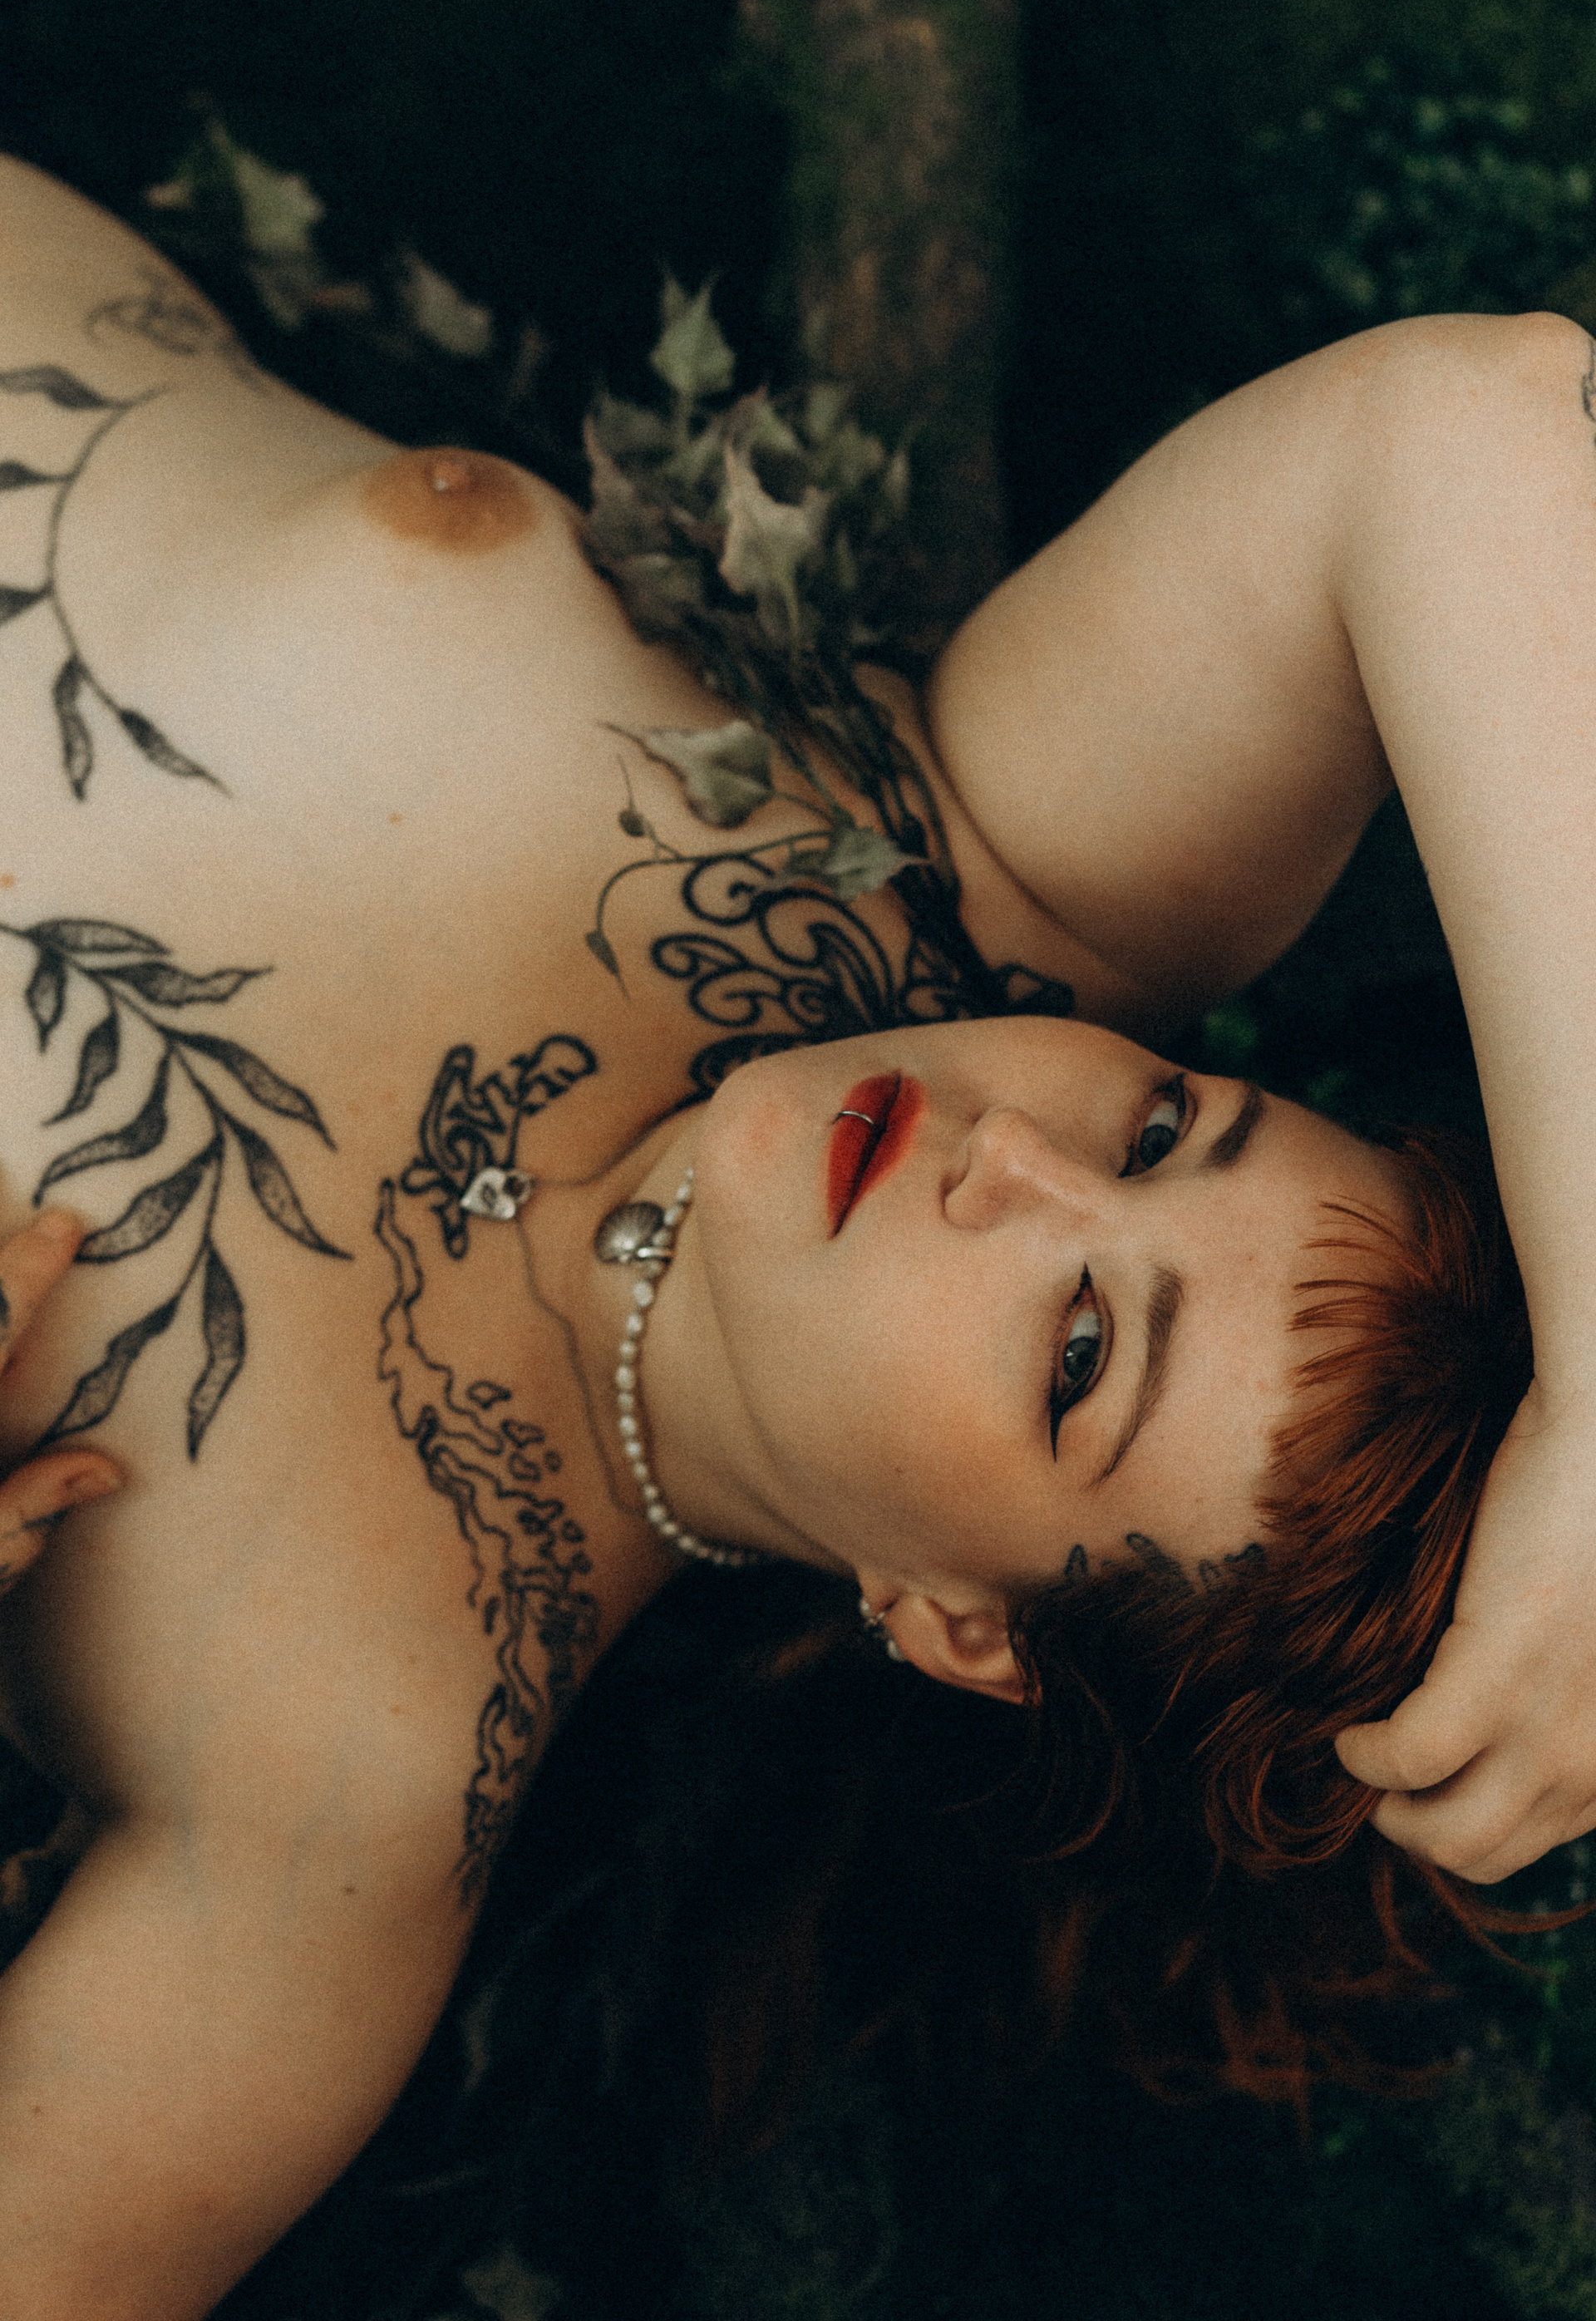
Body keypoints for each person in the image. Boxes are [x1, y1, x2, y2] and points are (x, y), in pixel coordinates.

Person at [0, 150, 1583, 2316]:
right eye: (1160, 1122)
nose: (1011, 1162)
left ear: (958, 1627)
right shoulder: (971, 862)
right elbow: (1472, 424)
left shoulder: (329, 1806)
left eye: (1078, 1354)